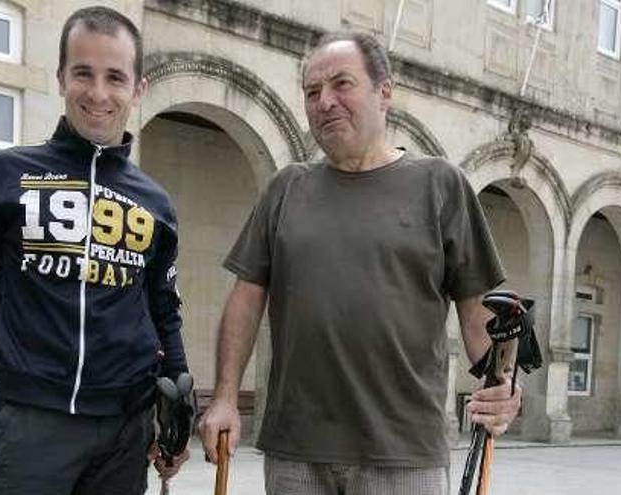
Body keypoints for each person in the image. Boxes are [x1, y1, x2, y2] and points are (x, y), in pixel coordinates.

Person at [198, 32, 522, 494]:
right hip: (297, 450)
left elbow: (477, 315)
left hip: (404, 453)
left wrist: (503, 386)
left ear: (384, 92)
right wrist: (225, 396)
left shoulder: (440, 185)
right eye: (312, 92)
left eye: (341, 84)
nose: (325, 102)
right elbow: (246, 301)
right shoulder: (286, 188)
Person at [0, 6, 189, 494]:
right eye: (83, 73)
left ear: (138, 89)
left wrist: (177, 409)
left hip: (124, 430)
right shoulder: (9, 174)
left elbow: (163, 310)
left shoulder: (155, 203)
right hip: (30, 425)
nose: (97, 92)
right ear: (61, 78)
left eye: (115, 77)